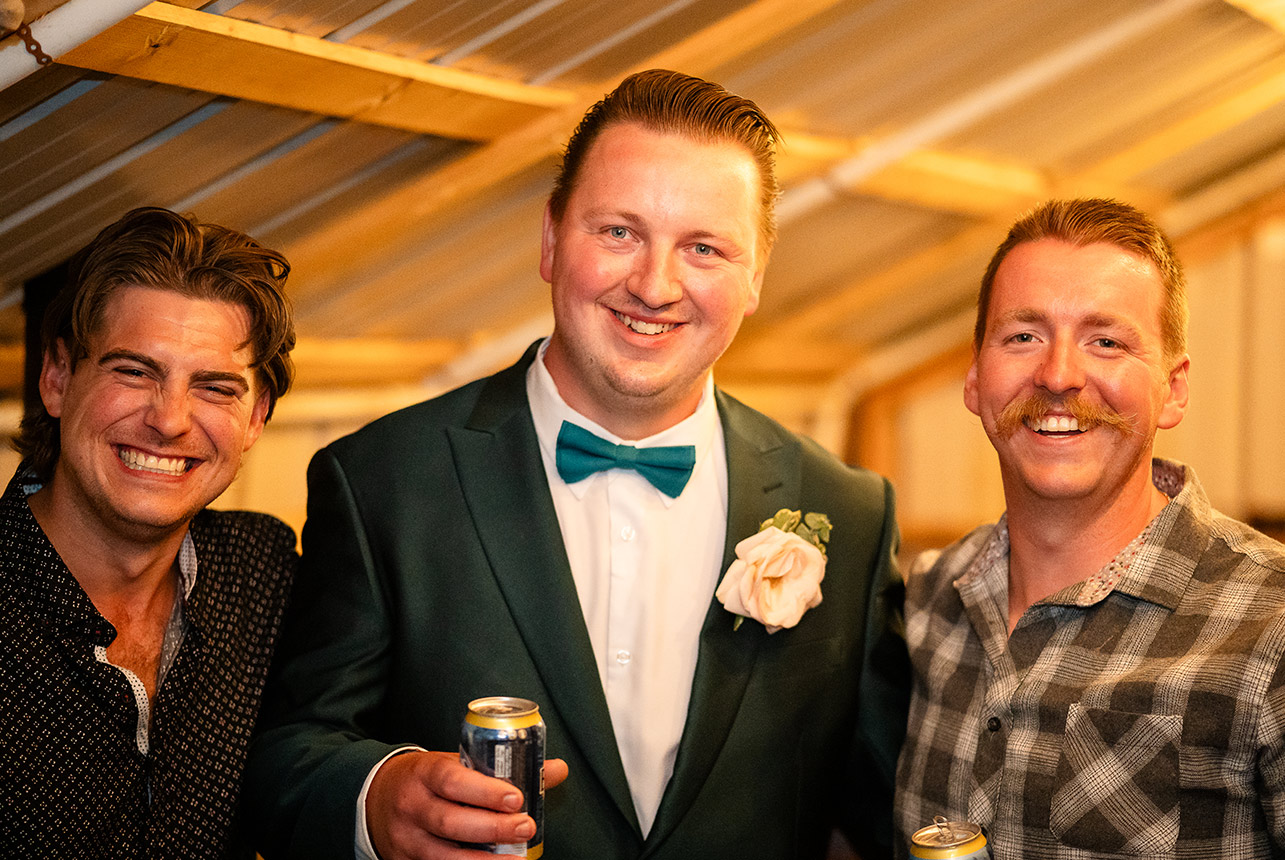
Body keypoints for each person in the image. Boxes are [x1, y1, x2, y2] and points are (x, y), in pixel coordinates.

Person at [245, 69, 908, 860]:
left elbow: (885, 807)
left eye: (703, 247)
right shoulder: (381, 480)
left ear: (756, 274)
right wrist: (376, 794)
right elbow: (286, 752)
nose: (655, 285)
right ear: (552, 239)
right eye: (618, 232)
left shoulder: (848, 510)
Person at [894, 198, 1285, 858]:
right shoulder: (927, 603)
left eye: (1106, 341)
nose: (1058, 375)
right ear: (973, 376)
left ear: (1174, 388)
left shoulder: (1268, 628)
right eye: (1023, 336)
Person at [0, 206, 299, 858]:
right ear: (57, 379)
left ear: (256, 419)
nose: (169, 421)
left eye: (215, 388)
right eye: (133, 371)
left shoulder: (265, 573)